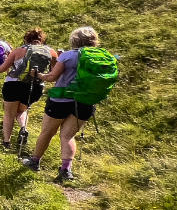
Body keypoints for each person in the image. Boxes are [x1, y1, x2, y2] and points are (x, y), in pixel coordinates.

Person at [22, 26, 118, 181]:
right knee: (68, 136)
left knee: (47, 132)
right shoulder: (102, 57)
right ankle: (66, 171)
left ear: (75, 40)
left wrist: (37, 74)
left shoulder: (68, 56)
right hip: (85, 102)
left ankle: (34, 162)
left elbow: (51, 77)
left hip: (60, 100)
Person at [0, 29, 57, 153]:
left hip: (13, 84)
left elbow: (2, 68)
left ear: (26, 39)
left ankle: (6, 143)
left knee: (9, 114)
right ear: (42, 40)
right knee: (22, 110)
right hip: (35, 86)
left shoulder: (19, 50)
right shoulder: (51, 52)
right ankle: (23, 128)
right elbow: (54, 73)